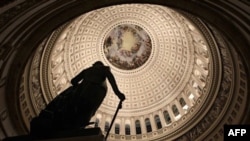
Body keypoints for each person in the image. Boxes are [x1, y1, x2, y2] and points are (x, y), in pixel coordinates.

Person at [30, 61, 125, 137]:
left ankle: (67, 122)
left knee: (75, 107)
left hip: (83, 90)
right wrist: (118, 94)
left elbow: (73, 81)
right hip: (97, 92)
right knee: (87, 111)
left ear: (94, 65)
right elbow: (112, 80)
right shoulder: (104, 69)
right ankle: (78, 125)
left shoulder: (87, 70)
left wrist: (78, 87)